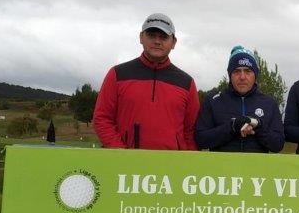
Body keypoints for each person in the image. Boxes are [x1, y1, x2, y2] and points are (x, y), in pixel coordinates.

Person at [93, 13, 200, 150]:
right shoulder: (117, 74)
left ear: (173, 43)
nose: (157, 41)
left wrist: (187, 162)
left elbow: (191, 132)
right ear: (141, 37)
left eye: (163, 37)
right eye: (151, 35)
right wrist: (119, 151)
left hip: (173, 166)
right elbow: (102, 118)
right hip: (125, 165)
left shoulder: (187, 82)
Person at [195, 46, 284, 153]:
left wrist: (259, 126)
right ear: (230, 75)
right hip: (221, 168)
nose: (242, 77)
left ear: (255, 75)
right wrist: (232, 127)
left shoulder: (269, 103)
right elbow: (201, 139)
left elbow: (278, 144)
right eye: (237, 71)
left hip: (258, 169)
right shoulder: (213, 101)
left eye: (247, 71)